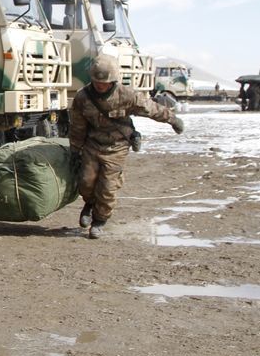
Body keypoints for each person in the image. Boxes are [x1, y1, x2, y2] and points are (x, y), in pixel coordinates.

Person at [69, 54, 184, 239]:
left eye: (104, 82)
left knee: (107, 188)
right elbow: (77, 125)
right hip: (93, 144)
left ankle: (99, 221)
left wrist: (172, 120)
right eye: (96, 81)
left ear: (113, 81)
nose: (100, 85)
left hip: (117, 147)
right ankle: (89, 204)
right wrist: (75, 149)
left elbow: (150, 108)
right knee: (86, 182)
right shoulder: (83, 97)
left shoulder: (126, 95)